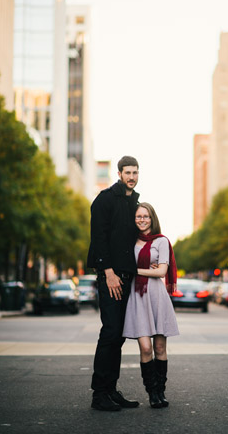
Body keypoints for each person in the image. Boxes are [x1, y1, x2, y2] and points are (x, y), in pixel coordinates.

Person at [88, 156, 141, 411]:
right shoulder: (105, 199)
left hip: (128, 277)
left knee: (118, 336)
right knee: (110, 332)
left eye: (135, 172)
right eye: (127, 172)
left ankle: (110, 389)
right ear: (119, 173)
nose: (131, 176)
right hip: (111, 276)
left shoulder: (135, 203)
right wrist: (107, 271)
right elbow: (98, 238)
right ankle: (99, 394)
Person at [122, 202, 179, 409]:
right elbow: (123, 266)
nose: (142, 220)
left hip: (156, 296)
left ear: (152, 218)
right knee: (146, 348)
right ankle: (151, 391)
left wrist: (136, 270)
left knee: (160, 346)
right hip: (137, 297)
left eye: (145, 216)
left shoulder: (161, 241)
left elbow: (161, 272)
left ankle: (160, 392)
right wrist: (144, 268)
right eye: (138, 216)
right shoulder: (129, 241)